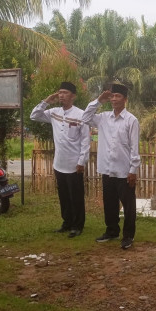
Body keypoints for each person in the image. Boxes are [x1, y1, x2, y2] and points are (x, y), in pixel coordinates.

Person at [82, 83, 140, 250]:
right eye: (112, 96)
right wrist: (98, 101)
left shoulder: (131, 120)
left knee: (128, 206)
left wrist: (133, 170)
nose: (114, 99)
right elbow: (85, 117)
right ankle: (112, 230)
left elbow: (134, 148)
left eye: (118, 96)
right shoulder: (103, 118)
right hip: (107, 169)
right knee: (109, 203)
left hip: (124, 171)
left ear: (125, 99)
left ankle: (128, 236)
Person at [30, 82, 90, 238]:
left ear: (73, 96)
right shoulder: (54, 112)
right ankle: (67, 222)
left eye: (65, 92)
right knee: (63, 195)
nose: (61, 95)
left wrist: (81, 161)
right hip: (59, 162)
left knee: (75, 196)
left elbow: (85, 141)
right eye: (59, 92)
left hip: (74, 163)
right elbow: (34, 115)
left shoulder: (81, 115)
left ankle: (77, 225)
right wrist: (46, 102)